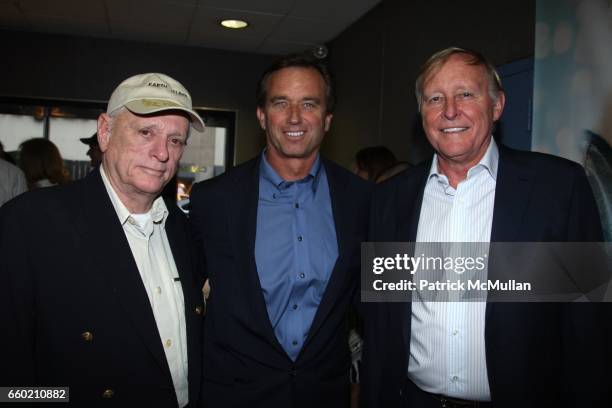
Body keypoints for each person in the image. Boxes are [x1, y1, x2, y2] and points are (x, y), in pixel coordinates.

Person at [362, 47, 609, 407]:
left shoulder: (559, 188)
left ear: (497, 106)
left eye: (465, 94)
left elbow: (589, 320)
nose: (450, 110)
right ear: (422, 113)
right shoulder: (389, 200)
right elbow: (381, 320)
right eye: (435, 98)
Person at [0, 73, 206, 407]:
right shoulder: (31, 223)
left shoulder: (184, 230)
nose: (162, 153)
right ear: (105, 132)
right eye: (145, 132)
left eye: (175, 140)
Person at [189, 54, 370, 407]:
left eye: (309, 104)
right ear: (261, 115)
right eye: (280, 103)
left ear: (327, 119)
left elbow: (376, 306)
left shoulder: (362, 199)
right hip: (235, 395)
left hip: (324, 395)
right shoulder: (214, 200)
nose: (294, 117)